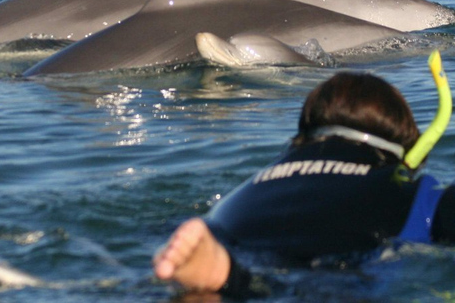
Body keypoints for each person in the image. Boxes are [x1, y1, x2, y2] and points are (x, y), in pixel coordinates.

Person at [153, 64, 455, 298]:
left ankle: (225, 278)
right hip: (337, 279)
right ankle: (232, 280)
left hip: (233, 245)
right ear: (410, 149)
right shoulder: (417, 194)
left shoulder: (248, 189)